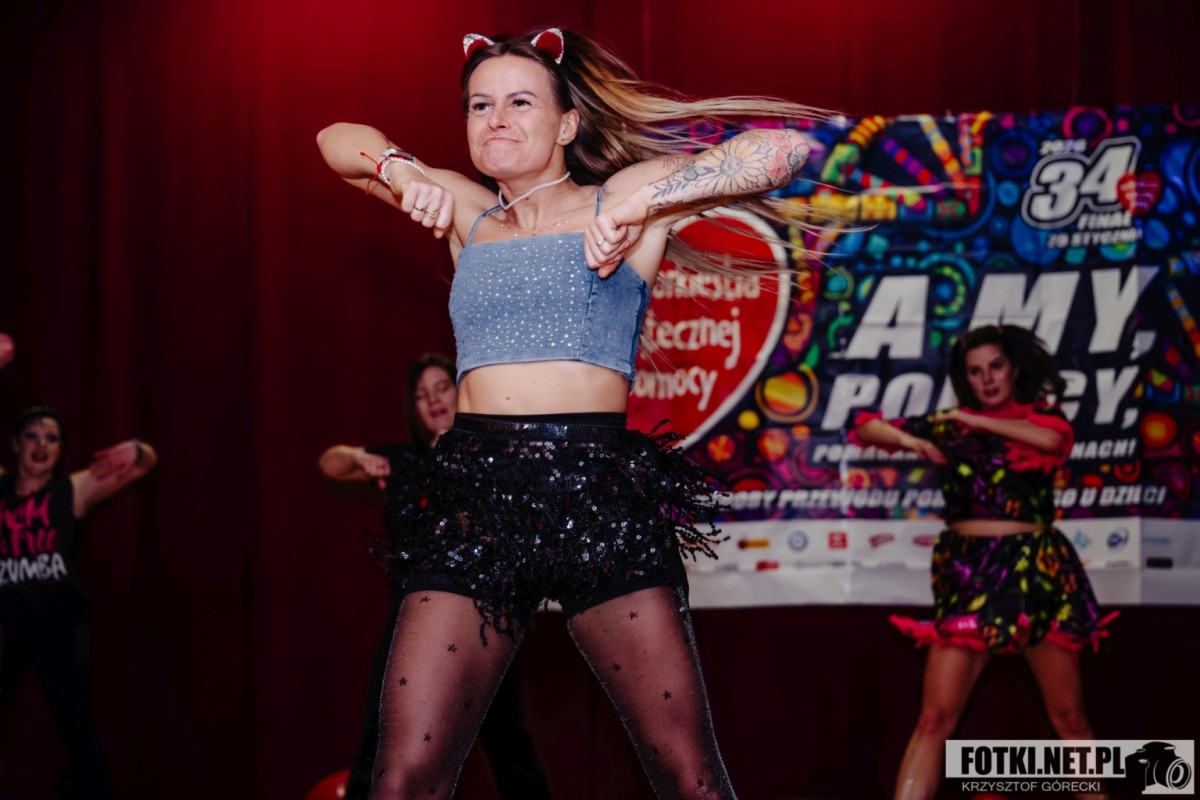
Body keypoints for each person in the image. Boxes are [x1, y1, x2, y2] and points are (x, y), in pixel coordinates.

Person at [318, 25, 826, 800]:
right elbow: (333, 139)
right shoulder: (464, 210)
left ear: (566, 125)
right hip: (477, 493)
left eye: (520, 102)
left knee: (687, 775)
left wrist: (648, 201)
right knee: (403, 776)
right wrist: (399, 168)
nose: (496, 118)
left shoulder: (621, 200)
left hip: (595, 491)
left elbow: (785, 150)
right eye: (479, 104)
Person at [849, 324, 1115, 800]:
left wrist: (976, 422)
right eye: (975, 371)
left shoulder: (1043, 420)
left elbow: (1054, 444)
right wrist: (911, 442)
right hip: (970, 574)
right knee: (933, 718)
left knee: (1070, 718)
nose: (987, 378)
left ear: (1013, 369)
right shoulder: (953, 424)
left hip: (1036, 573)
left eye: (995, 366)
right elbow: (864, 427)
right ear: (965, 378)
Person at [319, 352, 552, 800]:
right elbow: (331, 463)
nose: (433, 400)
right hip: (415, 617)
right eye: (422, 395)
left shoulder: (492, 454)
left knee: (506, 740)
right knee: (383, 733)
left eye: (441, 388)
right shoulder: (404, 461)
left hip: (485, 612)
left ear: (460, 391)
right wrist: (358, 456)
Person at [0, 406, 158, 799]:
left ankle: (93, 791)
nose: (41, 444)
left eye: (51, 438)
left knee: (76, 726)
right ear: (16, 445)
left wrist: (138, 450)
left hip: (59, 625)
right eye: (32, 435)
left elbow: (145, 463)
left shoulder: (70, 490)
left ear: (60, 450)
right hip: (5, 622)